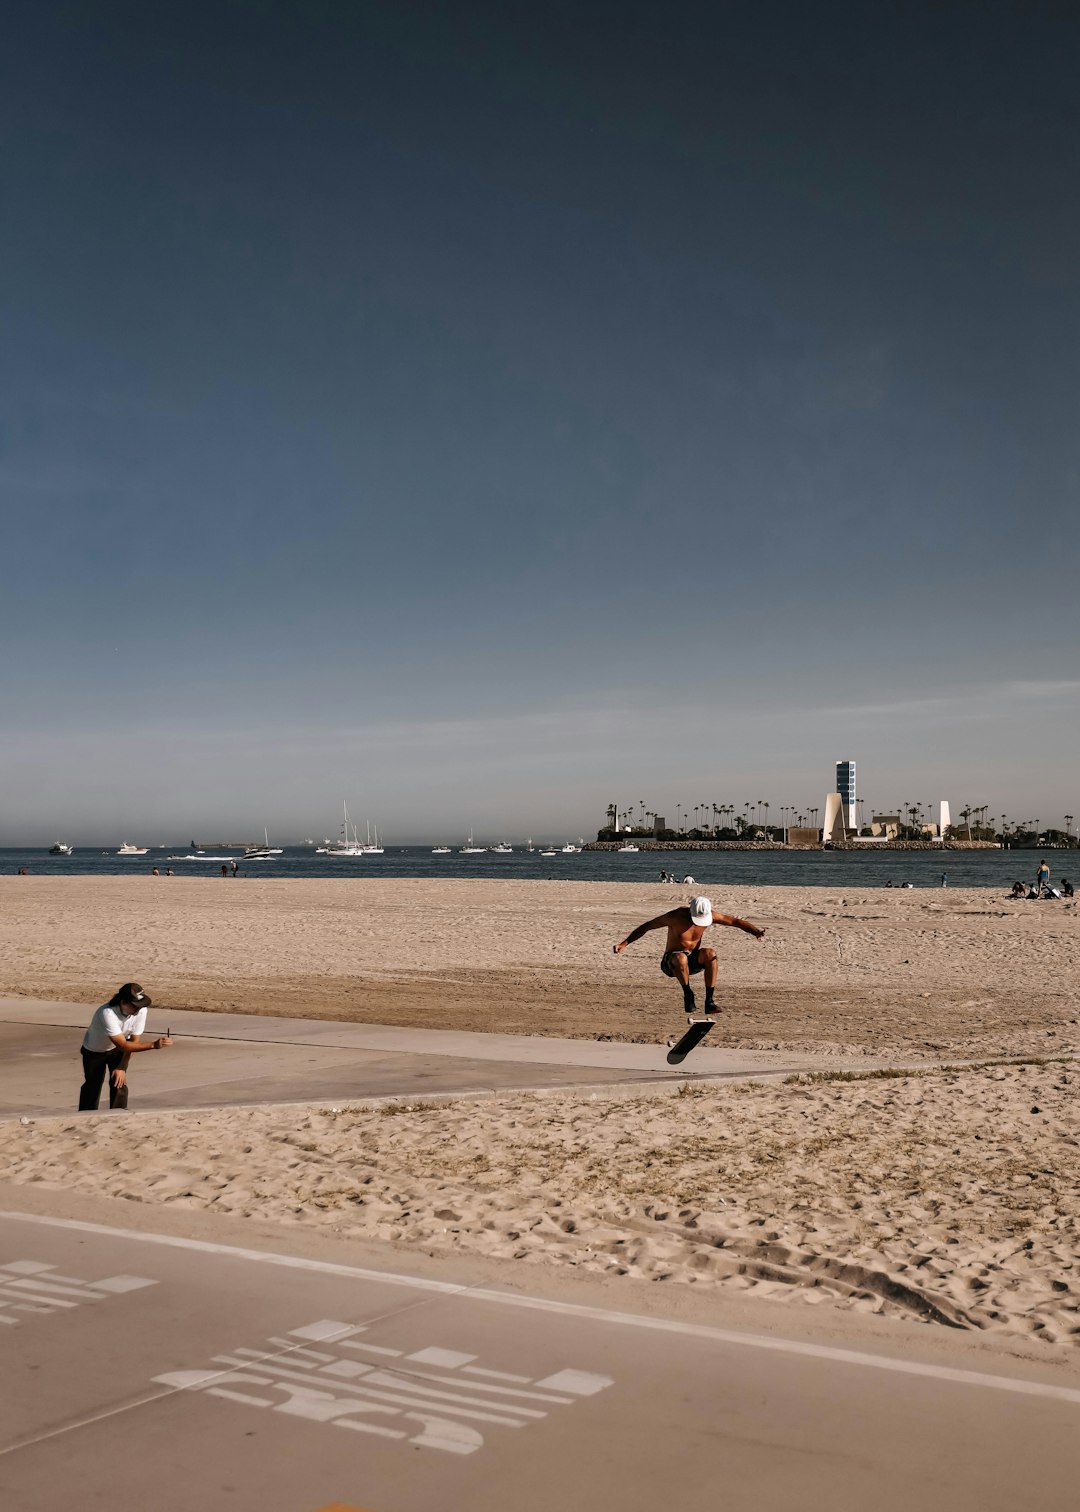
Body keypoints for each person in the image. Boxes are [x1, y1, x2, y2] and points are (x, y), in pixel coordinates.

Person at [613, 896, 765, 1016]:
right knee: (681, 958)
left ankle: (709, 1001)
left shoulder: (710, 915)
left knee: (710, 953)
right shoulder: (675, 916)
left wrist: (755, 931)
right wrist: (624, 943)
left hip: (691, 961)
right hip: (671, 963)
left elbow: (735, 921)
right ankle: (688, 994)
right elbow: (647, 926)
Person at [78, 983, 171, 1111]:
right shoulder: (107, 1013)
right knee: (93, 1085)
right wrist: (154, 1045)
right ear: (123, 1002)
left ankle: (118, 1115)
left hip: (119, 1049)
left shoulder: (141, 1010)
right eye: (135, 1006)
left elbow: (134, 1042)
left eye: (140, 1006)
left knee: (119, 1083)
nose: (138, 1010)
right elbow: (123, 1044)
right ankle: (86, 1116)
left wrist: (121, 1067)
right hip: (95, 1051)